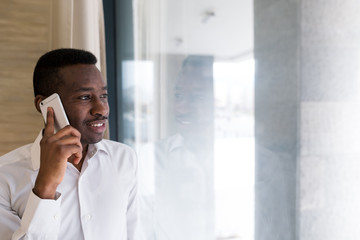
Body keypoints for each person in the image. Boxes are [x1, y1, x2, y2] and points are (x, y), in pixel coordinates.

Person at [0, 48, 138, 239]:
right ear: (46, 105)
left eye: (104, 96)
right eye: (85, 97)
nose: (101, 109)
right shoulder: (4, 176)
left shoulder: (124, 158)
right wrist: (46, 187)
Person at [138, 55, 215, 240]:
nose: (182, 107)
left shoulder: (243, 160)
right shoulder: (151, 157)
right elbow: (142, 228)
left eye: (197, 97)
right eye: (178, 96)